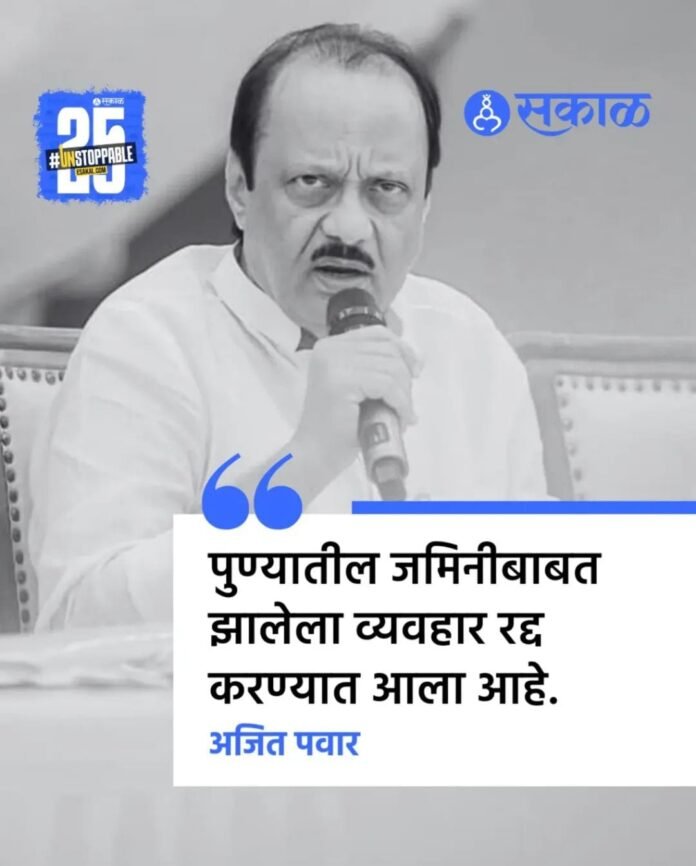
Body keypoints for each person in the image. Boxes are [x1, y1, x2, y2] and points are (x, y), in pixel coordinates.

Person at [29, 23, 547, 630]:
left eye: (386, 190)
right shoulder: (146, 338)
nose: (349, 228)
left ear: (425, 208)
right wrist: (304, 462)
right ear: (239, 189)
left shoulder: (469, 347)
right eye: (312, 184)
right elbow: (81, 622)